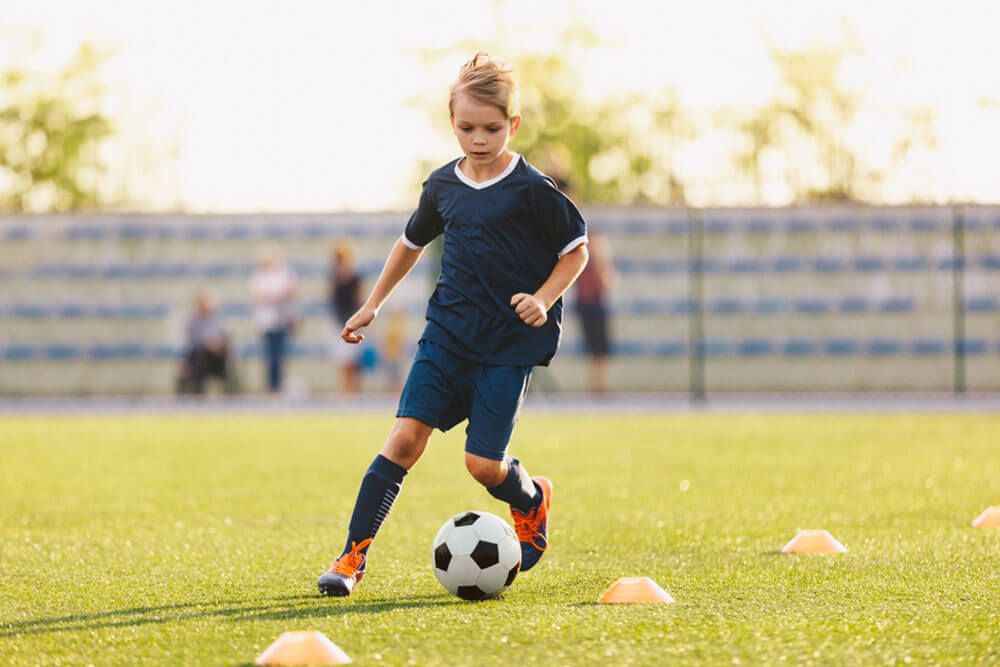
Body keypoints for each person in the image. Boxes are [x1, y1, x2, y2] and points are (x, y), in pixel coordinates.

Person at [317, 52, 589, 597]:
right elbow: (410, 243)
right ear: (452, 124)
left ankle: (531, 497)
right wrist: (371, 304)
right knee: (404, 439)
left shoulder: (533, 190)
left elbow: (576, 251)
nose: (479, 138)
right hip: (447, 336)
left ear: (513, 126)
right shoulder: (442, 186)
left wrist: (542, 297)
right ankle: (351, 558)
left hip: (508, 345)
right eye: (467, 127)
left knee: (482, 466)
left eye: (492, 128)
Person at [249, 245, 297, 393]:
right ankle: (271, 386)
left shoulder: (284, 273)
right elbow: (261, 296)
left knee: (279, 355)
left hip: (281, 320)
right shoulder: (259, 276)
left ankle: (278, 385)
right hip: (266, 322)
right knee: (270, 356)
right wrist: (276, 296)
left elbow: (291, 292)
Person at [574, 230, 616, 393]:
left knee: (599, 349)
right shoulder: (587, 263)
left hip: (594, 306)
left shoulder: (593, 262)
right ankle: (597, 385)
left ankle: (598, 384)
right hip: (591, 306)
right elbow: (605, 282)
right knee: (596, 348)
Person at [176, 291, 236, 394]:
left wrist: (214, 343)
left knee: (207, 351)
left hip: (216, 359)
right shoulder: (193, 320)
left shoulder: (217, 318)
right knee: (197, 352)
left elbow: (222, 337)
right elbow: (191, 340)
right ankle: (197, 390)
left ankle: (198, 389)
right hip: (198, 356)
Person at [327, 240, 364, 393]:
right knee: (342, 360)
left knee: (351, 360)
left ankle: (350, 389)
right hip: (339, 321)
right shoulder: (334, 277)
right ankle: (345, 389)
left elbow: (360, 298)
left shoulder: (354, 277)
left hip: (351, 319)